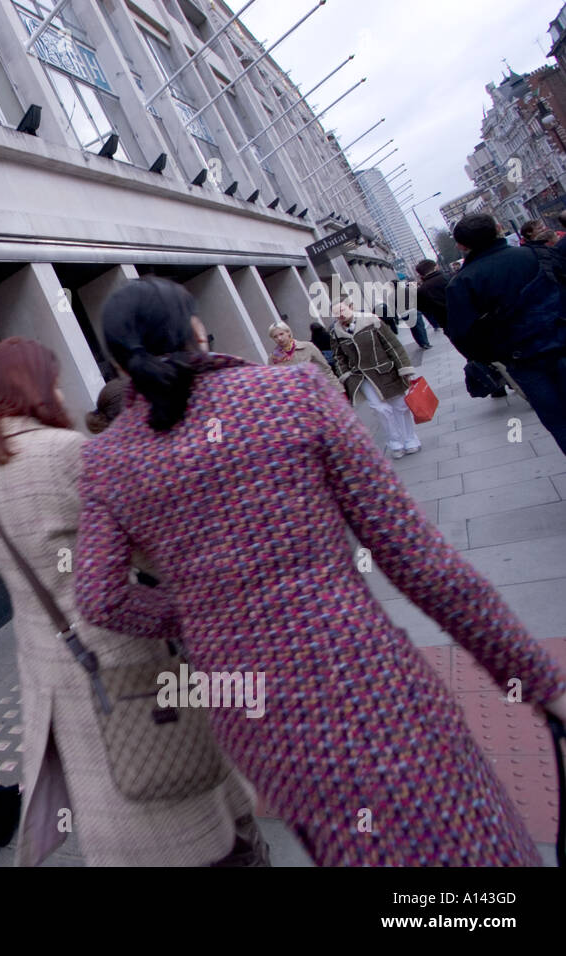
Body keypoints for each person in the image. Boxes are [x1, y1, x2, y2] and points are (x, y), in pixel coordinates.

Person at [74, 276, 566, 867]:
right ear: (195, 331)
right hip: (363, 684)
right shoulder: (292, 393)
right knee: (467, 849)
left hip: (253, 718)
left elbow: (99, 598)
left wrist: (200, 611)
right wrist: (539, 680)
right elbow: (417, 559)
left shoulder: (105, 459)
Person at [0, 336, 264, 867]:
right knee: (195, 807)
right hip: (126, 659)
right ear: (32, 387)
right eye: (52, 379)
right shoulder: (67, 452)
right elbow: (147, 547)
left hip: (54, 671)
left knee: (123, 815)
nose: (58, 389)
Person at [446, 212, 566, 455]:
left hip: (525, 362)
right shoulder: (538, 254)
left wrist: (500, 355)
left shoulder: (463, 284)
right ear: (499, 228)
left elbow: (464, 338)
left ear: (461, 245)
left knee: (560, 424)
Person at [329, 298, 421, 458]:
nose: (340, 315)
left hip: (385, 370)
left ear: (351, 307)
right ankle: (395, 442)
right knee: (380, 409)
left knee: (400, 406)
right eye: (336, 313)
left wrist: (403, 367)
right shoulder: (335, 332)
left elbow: (392, 344)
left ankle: (410, 439)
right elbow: (338, 357)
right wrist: (346, 374)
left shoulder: (371, 320)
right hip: (362, 376)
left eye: (342, 310)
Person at [267, 319, 338, 386]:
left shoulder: (307, 347)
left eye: (281, 334)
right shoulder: (273, 358)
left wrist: (338, 389)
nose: (279, 338)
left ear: (288, 332)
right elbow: (275, 381)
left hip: (317, 389)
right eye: (275, 337)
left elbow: (325, 370)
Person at [414, 259, 449, 332]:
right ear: (435, 267)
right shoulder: (448, 277)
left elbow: (423, 308)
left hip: (446, 322)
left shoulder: (421, 290)